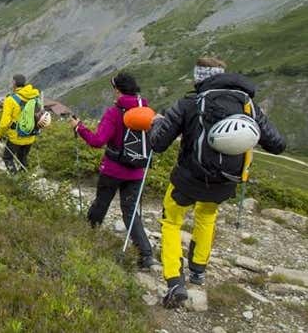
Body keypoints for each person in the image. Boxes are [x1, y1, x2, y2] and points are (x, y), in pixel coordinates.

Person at [150, 57, 286, 308]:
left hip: (187, 180)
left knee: (171, 222)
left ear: (198, 77)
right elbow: (277, 144)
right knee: (206, 216)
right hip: (224, 182)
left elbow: (158, 143)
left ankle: (174, 282)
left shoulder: (189, 103)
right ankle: (198, 272)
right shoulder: (248, 105)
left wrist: (156, 121)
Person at [69, 72, 155, 269]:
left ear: (117, 90)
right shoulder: (147, 111)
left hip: (113, 169)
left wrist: (79, 128)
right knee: (131, 212)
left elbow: (97, 141)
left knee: (101, 203)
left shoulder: (114, 113)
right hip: (137, 171)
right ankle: (146, 255)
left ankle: (87, 237)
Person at [0, 74, 41, 174]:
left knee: (7, 158)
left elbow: (4, 123)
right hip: (30, 135)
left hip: (16, 137)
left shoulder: (10, 100)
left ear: (14, 83)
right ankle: (25, 180)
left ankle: (16, 179)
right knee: (23, 159)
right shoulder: (35, 97)